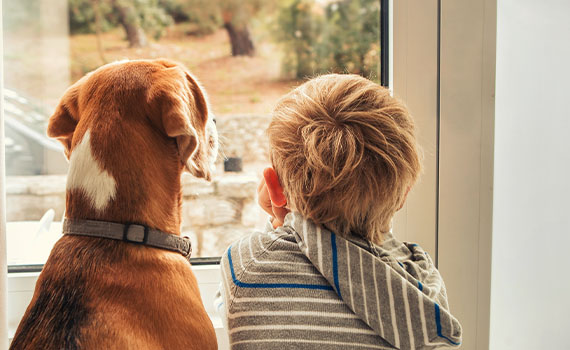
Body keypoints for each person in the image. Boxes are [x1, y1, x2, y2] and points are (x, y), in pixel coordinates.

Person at [217, 74, 463, 349]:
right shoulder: (423, 286)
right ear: (404, 193)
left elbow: (225, 306)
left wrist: (279, 220)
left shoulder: (246, 266)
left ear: (274, 188)